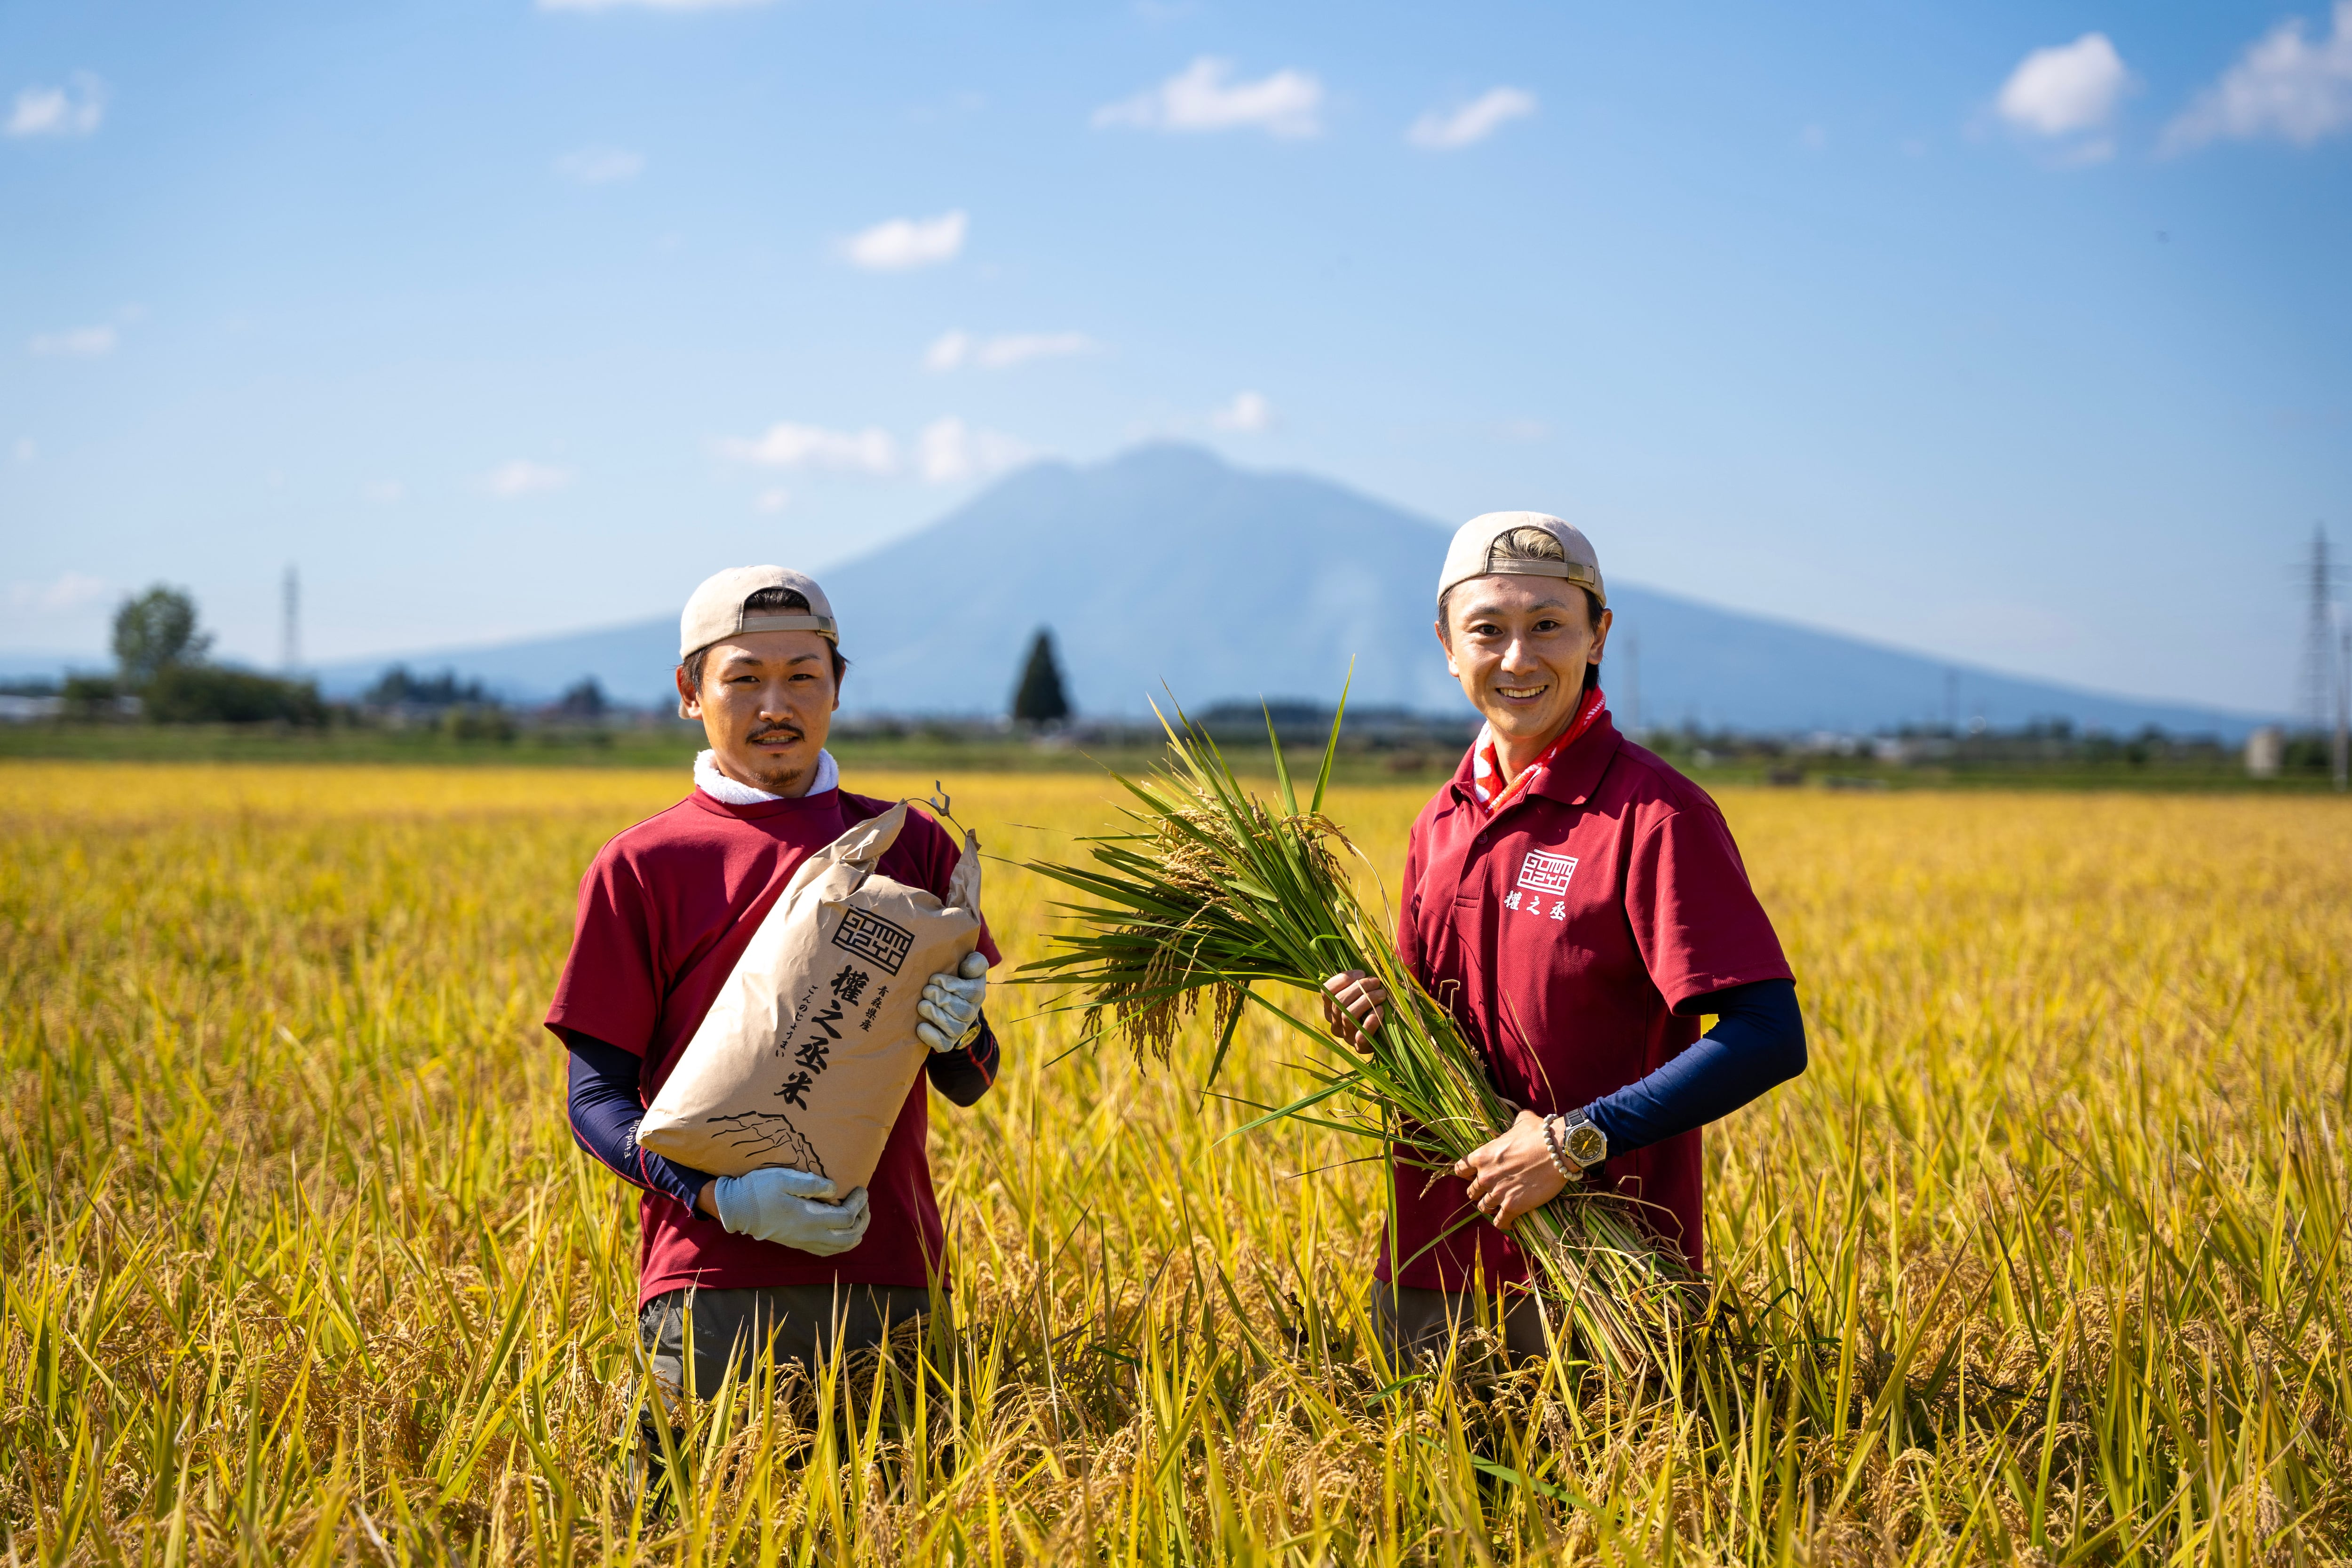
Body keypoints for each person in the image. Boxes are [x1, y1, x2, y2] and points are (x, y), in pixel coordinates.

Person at [1321, 514, 1805, 1362]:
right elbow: (1444, 1024)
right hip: (1429, 1266)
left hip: (1600, 1284)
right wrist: (1377, 1009)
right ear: (1446, 644)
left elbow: (1768, 1035)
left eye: (1547, 625)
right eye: (1488, 630)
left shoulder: (1655, 815)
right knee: (1420, 1496)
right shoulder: (1440, 819)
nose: (1518, 657)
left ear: (1597, 636)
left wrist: (1572, 1140)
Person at [545, 565, 1002, 1403]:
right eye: (744, 678)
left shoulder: (914, 848)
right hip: (709, 1286)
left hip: (891, 1272)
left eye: (802, 676)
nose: (775, 706)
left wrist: (963, 1029)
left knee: (919, 1531)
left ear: (836, 688)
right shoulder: (644, 867)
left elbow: (968, 1081)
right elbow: (595, 1101)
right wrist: (725, 1198)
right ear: (691, 691)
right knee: (693, 1534)